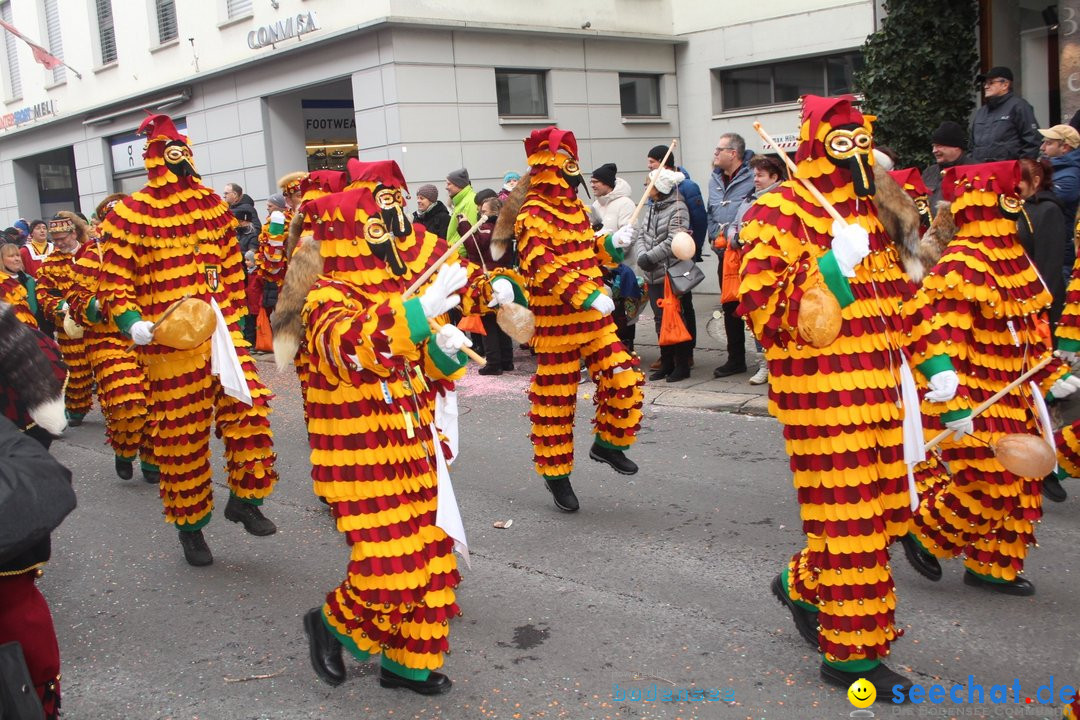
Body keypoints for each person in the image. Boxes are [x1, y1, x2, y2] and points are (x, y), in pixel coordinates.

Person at [738, 95, 964, 696]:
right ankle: (851, 659)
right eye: (844, 142)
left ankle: (800, 583)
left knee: (887, 515)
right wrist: (830, 270)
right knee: (853, 528)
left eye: (862, 140)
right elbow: (763, 311)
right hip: (823, 404)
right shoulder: (776, 212)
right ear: (816, 143)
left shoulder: (876, 214)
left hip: (885, 395)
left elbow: (908, 301)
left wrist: (936, 363)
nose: (857, 155)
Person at [298, 160, 471, 696]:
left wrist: (442, 350)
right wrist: (416, 315)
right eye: (375, 225)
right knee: (390, 565)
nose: (389, 237)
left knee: (434, 557)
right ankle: (329, 625)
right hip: (362, 460)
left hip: (416, 444)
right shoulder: (323, 299)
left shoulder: (393, 292)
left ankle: (406, 664)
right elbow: (355, 347)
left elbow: (420, 367)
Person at [95, 114, 279, 567]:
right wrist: (132, 321)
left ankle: (245, 499)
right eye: (169, 153)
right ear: (154, 159)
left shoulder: (215, 208)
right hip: (168, 343)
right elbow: (114, 280)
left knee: (251, 411)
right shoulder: (130, 214)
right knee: (182, 437)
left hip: (221, 334)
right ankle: (191, 528)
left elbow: (232, 269)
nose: (178, 162)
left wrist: (235, 319)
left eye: (183, 153)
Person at [899, 160, 1074, 597]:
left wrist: (1051, 374)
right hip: (972, 391)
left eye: (1021, 198)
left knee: (1025, 480)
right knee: (990, 479)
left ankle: (993, 565)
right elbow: (935, 331)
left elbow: (1031, 330)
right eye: (1010, 198)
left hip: (1015, 393)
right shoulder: (962, 263)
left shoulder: (1015, 260)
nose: (1020, 207)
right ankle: (926, 533)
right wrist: (952, 401)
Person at [505, 126, 644, 513]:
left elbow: (584, 254)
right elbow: (543, 266)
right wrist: (587, 294)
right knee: (556, 404)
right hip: (557, 326)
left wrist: (609, 245)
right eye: (565, 164)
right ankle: (557, 476)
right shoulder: (532, 215)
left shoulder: (578, 211)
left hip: (594, 319)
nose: (573, 172)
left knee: (623, 376)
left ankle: (608, 444)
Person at [725, 154, 785, 386]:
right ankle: (764, 365)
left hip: (774, 272)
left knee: (776, 318)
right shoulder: (749, 199)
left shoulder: (783, 200)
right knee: (756, 317)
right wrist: (734, 237)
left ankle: (781, 363)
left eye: (760, 175)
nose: (755, 180)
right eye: (754, 175)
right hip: (749, 269)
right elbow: (734, 225)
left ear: (774, 177)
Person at [632, 167, 693, 382]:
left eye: (649, 183)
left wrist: (651, 257)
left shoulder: (678, 208)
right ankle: (666, 360)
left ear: (660, 187)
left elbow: (674, 240)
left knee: (676, 317)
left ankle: (682, 363)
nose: (645, 187)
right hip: (652, 271)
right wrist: (642, 255)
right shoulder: (651, 207)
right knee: (660, 319)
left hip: (670, 271)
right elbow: (641, 235)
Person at [35, 214, 96, 426]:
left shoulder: (92, 253)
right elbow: (43, 293)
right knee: (76, 370)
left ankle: (116, 412)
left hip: (100, 324)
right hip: (69, 327)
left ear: (74, 233)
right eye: (55, 239)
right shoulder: (50, 263)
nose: (58, 243)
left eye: (62, 238)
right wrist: (62, 306)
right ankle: (76, 408)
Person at [708, 133, 755, 378]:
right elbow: (710, 211)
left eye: (719, 150)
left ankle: (769, 359)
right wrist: (712, 235)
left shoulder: (752, 176)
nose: (715, 154)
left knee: (756, 304)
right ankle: (735, 358)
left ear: (733, 153)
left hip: (748, 253)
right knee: (729, 306)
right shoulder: (714, 179)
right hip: (723, 254)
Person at [590, 163, 640, 351]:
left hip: (622, 268)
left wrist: (610, 244)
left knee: (623, 311)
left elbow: (630, 235)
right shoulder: (596, 205)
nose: (592, 185)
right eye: (591, 181)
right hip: (600, 269)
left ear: (607, 184)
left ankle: (626, 347)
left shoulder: (625, 204)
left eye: (596, 182)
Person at [1015, 157, 1068, 325]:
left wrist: (1039, 303)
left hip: (1039, 299)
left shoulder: (1048, 210)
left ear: (1036, 181)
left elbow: (1049, 263)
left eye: (1020, 180)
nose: (1014, 185)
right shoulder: (1015, 207)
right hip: (1017, 294)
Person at [970, 66, 1041, 163]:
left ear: (1005, 85)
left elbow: (1032, 141)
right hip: (981, 173)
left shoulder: (1019, 106)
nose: (986, 86)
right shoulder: (981, 112)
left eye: (991, 82)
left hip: (1008, 173)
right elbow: (972, 146)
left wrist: (1021, 170)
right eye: (985, 83)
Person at [922, 120, 973, 208]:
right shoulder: (929, 173)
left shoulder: (975, 172)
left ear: (956, 147)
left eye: (939, 146)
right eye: (933, 146)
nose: (934, 151)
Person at [1038, 124, 1080, 225]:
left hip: (1060, 238)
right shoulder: (1050, 168)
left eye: (1048, 143)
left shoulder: (1071, 177)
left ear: (1065, 147)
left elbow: (1040, 204)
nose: (1042, 148)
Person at [445, 168, 478, 247]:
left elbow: (470, 233)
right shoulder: (461, 201)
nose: (446, 187)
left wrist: (456, 253)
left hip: (460, 254)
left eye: (449, 184)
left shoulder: (471, 201)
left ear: (459, 184)